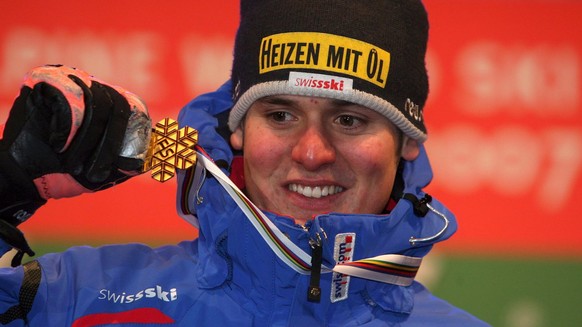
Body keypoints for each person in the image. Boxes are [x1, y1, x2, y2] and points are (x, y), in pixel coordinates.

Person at [0, 1, 490, 326]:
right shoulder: (79, 296)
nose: (312, 152)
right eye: (280, 115)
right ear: (237, 129)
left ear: (406, 141)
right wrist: (6, 193)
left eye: (350, 120)